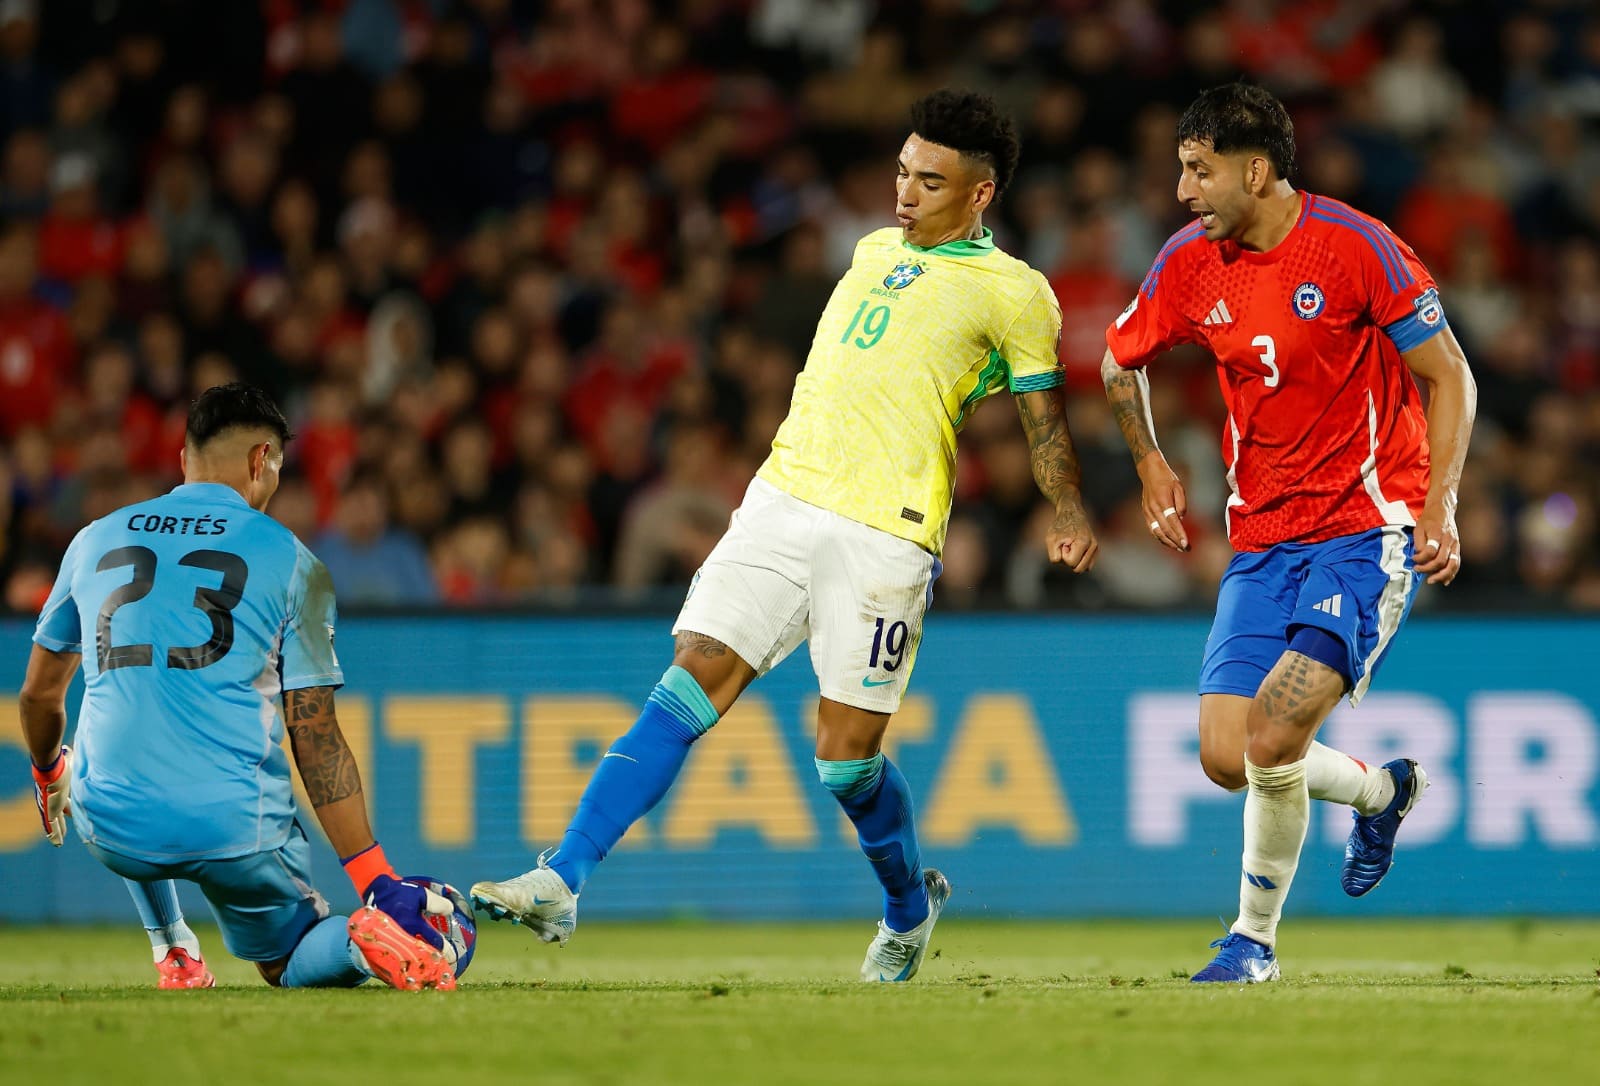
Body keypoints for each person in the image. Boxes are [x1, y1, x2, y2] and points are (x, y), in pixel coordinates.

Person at [471, 89, 1099, 981]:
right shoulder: (873, 250)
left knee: (845, 763)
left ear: (980, 194)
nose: (904, 194)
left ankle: (909, 910)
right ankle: (562, 876)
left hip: (889, 529)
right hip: (783, 496)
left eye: (929, 180)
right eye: (901, 173)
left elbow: (1043, 421)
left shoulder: (1017, 293)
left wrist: (1067, 507)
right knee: (691, 672)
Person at [1101, 83, 1476, 982]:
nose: (1184, 191)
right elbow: (1119, 363)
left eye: (1200, 171)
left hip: (1364, 528)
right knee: (1227, 757)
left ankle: (1251, 943)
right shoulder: (1190, 262)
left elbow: (1451, 376)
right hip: (1262, 539)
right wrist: (1150, 463)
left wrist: (1441, 506)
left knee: (1273, 742)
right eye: (1180, 171)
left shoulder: (1356, 248)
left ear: (1257, 170)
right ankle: (1382, 794)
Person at [22, 382, 459, 991]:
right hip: (235, 831)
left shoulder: (95, 537)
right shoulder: (293, 561)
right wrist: (375, 879)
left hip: (112, 828)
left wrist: (48, 775)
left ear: (184, 462)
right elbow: (315, 735)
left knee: (112, 735)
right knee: (289, 960)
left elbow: (40, 696)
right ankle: (363, 944)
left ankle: (172, 947)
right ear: (262, 460)